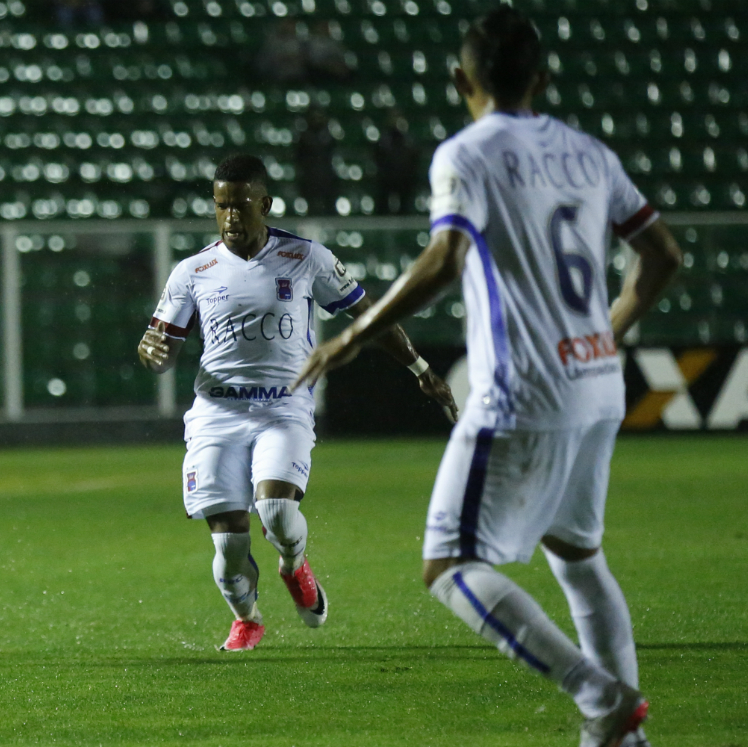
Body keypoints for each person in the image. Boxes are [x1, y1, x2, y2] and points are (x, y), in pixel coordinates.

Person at [295, 8, 680, 746]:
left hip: (523, 389)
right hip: (598, 381)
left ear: (459, 80)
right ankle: (624, 738)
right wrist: (606, 331)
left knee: (447, 564)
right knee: (579, 557)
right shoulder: (591, 153)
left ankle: (600, 696)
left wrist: (352, 337)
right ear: (543, 80)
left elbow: (445, 259)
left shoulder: (466, 154)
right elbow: (662, 254)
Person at [138, 154, 457, 652]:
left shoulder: (306, 258)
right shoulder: (192, 271)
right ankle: (247, 619)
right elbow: (160, 352)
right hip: (217, 413)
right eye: (221, 206)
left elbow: (369, 317)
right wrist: (151, 353)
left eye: (241, 205)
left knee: (277, 512)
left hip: (282, 408)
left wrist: (420, 369)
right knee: (229, 543)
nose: (230, 217)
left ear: (264, 204)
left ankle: (293, 565)